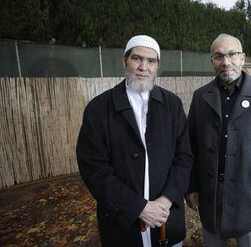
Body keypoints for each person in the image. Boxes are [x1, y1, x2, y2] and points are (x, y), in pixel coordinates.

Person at [77, 35, 192, 247]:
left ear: (157, 66)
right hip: (122, 222)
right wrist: (138, 207)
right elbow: (94, 169)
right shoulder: (100, 109)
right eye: (137, 59)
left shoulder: (172, 105)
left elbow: (184, 158)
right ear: (125, 61)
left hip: (166, 218)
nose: (143, 67)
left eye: (151, 61)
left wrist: (166, 200)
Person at [185, 33, 251, 246]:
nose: (226, 62)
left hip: (247, 195)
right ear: (212, 61)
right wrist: (192, 186)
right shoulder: (200, 97)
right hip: (210, 194)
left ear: (243, 58)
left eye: (232, 54)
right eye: (219, 56)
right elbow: (190, 146)